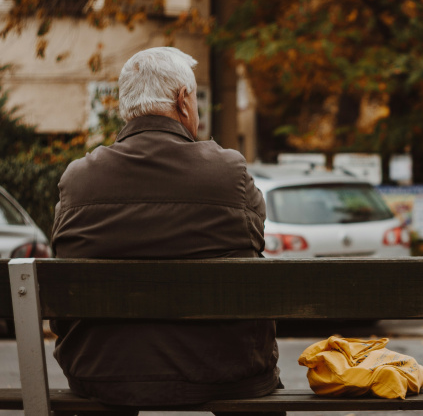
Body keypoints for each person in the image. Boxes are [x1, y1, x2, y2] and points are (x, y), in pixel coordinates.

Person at [50, 47, 281, 415]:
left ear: (126, 108)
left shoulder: (78, 179)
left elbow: (61, 297)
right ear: (183, 100)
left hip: (103, 372)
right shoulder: (228, 173)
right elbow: (254, 244)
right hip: (225, 370)